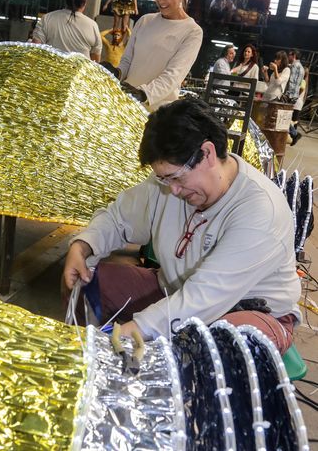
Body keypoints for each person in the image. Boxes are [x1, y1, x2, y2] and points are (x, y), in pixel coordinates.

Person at [63, 98, 300, 354]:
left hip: (249, 311)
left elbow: (204, 297)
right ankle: (89, 368)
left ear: (207, 153)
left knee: (220, 344)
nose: (173, 190)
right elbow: (118, 218)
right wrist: (83, 245)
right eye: (164, 179)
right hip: (175, 289)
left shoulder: (260, 211)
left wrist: (137, 327)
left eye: (177, 177)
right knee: (86, 280)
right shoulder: (168, 185)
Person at [102, 0, 203, 111]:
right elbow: (127, 61)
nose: (160, 0)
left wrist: (143, 94)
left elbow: (172, 77)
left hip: (157, 115)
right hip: (125, 106)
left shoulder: (192, 32)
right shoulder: (145, 21)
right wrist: (117, 72)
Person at [32, 0, 102, 62]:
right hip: (80, 74)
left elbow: (35, 52)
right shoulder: (93, 26)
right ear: (85, 2)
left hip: (51, 73)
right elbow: (96, 64)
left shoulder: (47, 19)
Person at [289, 66, 309, 146]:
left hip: (296, 103)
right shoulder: (302, 81)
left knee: (294, 121)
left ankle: (295, 136)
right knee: (293, 121)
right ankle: (294, 136)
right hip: (297, 103)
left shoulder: (302, 81)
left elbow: (299, 92)